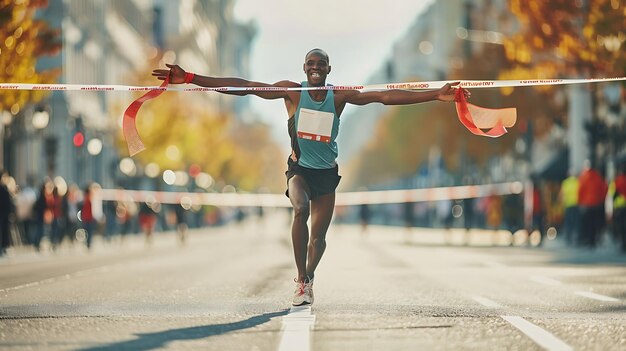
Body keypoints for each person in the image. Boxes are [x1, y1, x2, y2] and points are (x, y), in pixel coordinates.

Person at [152, 48, 467, 306]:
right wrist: (191, 78)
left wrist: (435, 95)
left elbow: (384, 96)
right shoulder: (292, 93)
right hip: (299, 171)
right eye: (311, 63)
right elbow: (244, 86)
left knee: (319, 239)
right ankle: (301, 281)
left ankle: (310, 274)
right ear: (304, 68)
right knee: (299, 209)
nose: (315, 68)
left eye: (321, 64)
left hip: (327, 174)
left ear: (329, 69)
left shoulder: (340, 96)